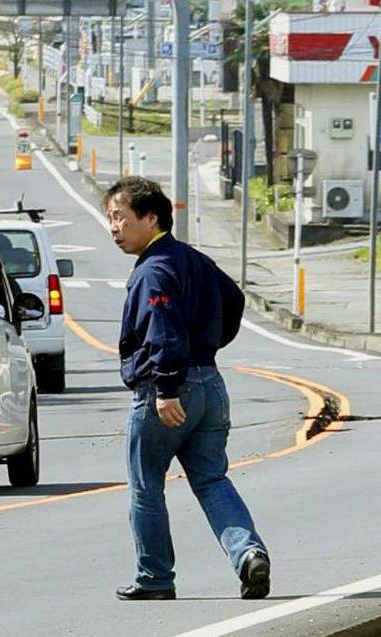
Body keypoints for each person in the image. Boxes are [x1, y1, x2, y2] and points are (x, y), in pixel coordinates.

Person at [104, 174, 270, 602]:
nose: (114, 228)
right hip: (210, 384)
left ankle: (154, 578)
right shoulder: (193, 260)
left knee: (146, 486)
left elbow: (163, 331)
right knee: (212, 479)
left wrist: (166, 388)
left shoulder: (153, 272)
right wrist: (208, 345)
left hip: (168, 391)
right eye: (110, 218)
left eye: (121, 217)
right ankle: (248, 553)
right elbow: (233, 300)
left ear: (151, 217)